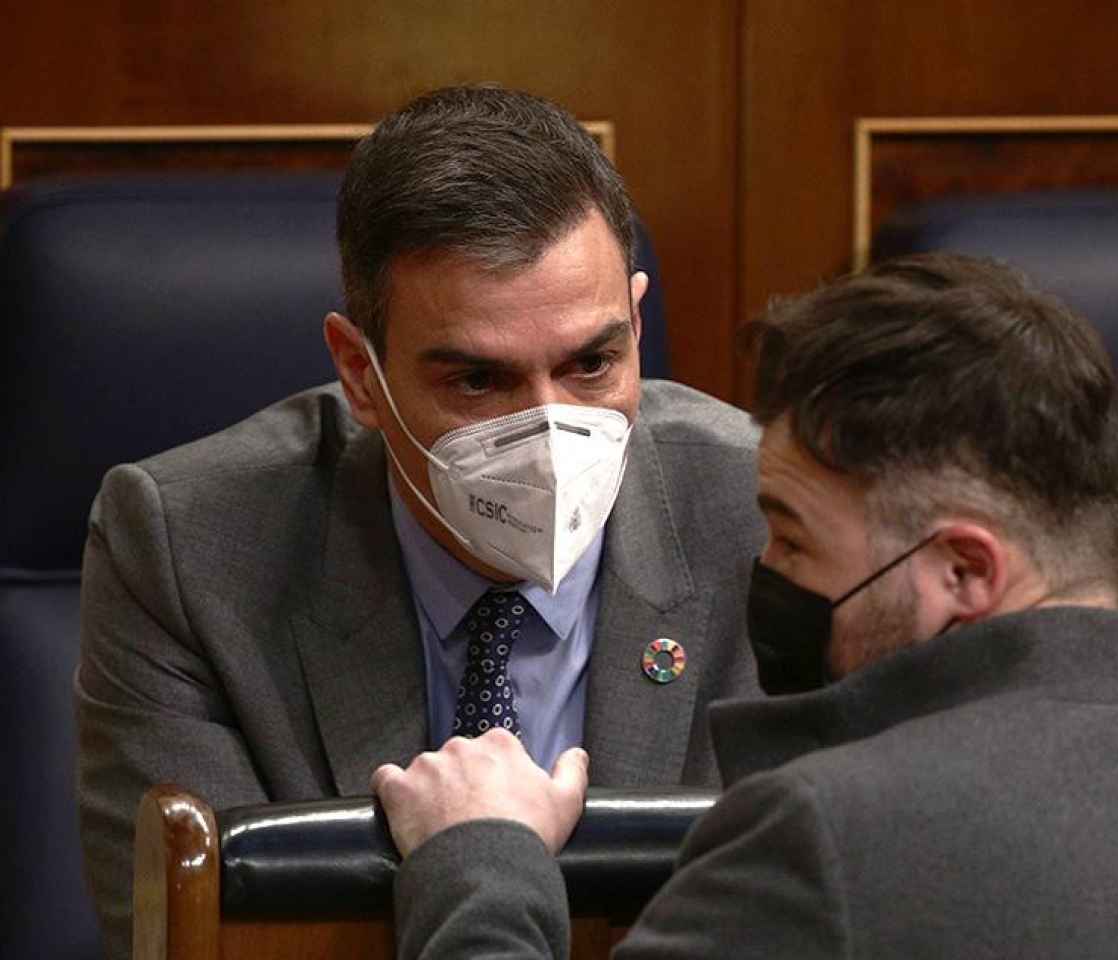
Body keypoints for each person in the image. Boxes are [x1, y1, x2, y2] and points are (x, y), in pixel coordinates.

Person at [372, 254, 1118, 959]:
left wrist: (481, 864)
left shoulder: (821, 840)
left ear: (962, 576)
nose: (768, 572)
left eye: (790, 535)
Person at [75, 85, 765, 957]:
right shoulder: (185, 548)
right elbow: (215, 938)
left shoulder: (764, 515)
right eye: (478, 381)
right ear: (361, 374)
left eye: (592, 362)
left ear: (635, 320)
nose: (550, 431)